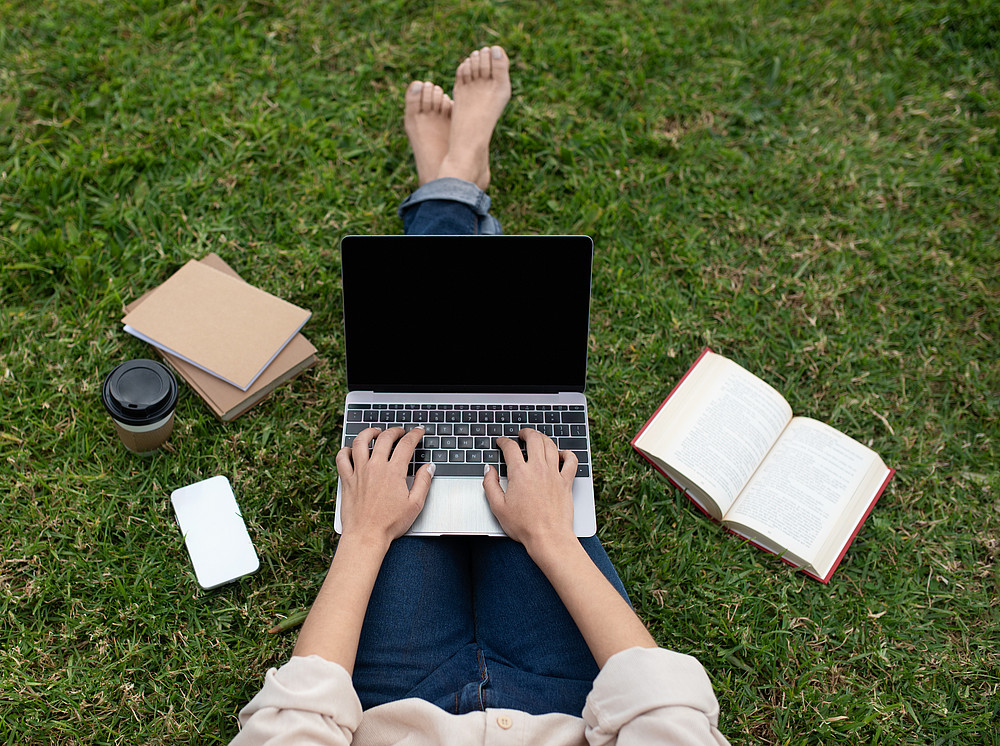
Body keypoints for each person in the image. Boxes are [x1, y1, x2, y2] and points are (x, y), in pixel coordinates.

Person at [231, 46, 729, 745]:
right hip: (572, 696)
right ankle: (457, 177)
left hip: (389, 699)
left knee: (421, 381)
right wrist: (551, 535)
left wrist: (368, 531)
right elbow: (662, 715)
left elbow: (296, 723)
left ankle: (452, 181)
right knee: (498, 405)